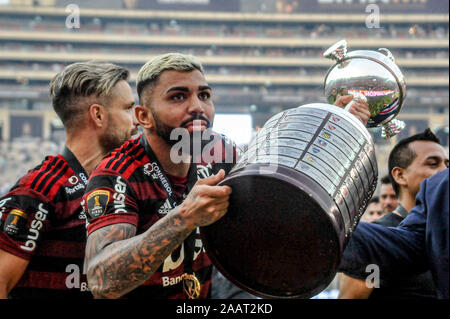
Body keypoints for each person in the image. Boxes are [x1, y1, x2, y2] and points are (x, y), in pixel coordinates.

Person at [82, 52, 370, 299]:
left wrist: (335, 122)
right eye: (178, 97)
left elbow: (285, 179)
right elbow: (101, 281)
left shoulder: (220, 152)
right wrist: (184, 218)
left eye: (204, 95)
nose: (197, 106)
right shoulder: (116, 174)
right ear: (143, 116)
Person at [0, 61, 138, 298]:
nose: (136, 121)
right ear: (98, 115)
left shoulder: (121, 182)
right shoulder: (39, 188)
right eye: (127, 109)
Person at [338, 129, 448, 299]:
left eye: (447, 166)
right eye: (433, 164)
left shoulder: (437, 230)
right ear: (400, 175)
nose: (443, 171)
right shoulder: (378, 240)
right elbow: (355, 295)